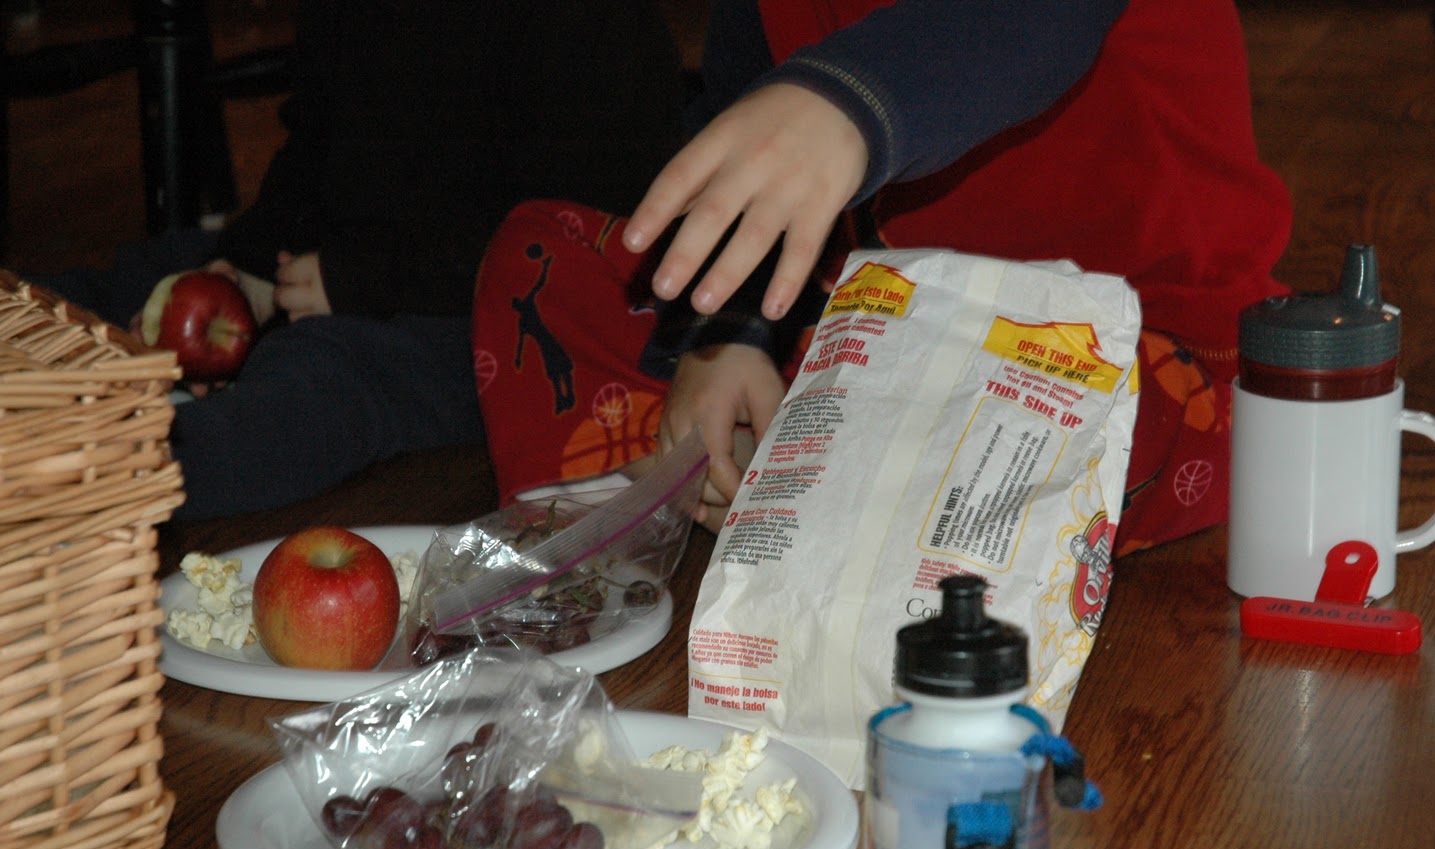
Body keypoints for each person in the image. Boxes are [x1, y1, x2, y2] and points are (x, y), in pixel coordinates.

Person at [473, 0, 1293, 554]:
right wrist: (725, 335)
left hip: (1139, 351)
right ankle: (752, 475)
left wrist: (845, 105)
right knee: (542, 259)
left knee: (1047, 428)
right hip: (886, 321)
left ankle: (795, 484)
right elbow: (748, 134)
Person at [32, 0, 686, 521]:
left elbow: (576, 229)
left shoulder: (584, 23)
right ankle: (24, 369)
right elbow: (313, 146)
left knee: (322, 379)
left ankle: (90, 471)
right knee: (149, 273)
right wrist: (249, 265)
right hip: (342, 255)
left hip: (499, 318)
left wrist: (365, 276)